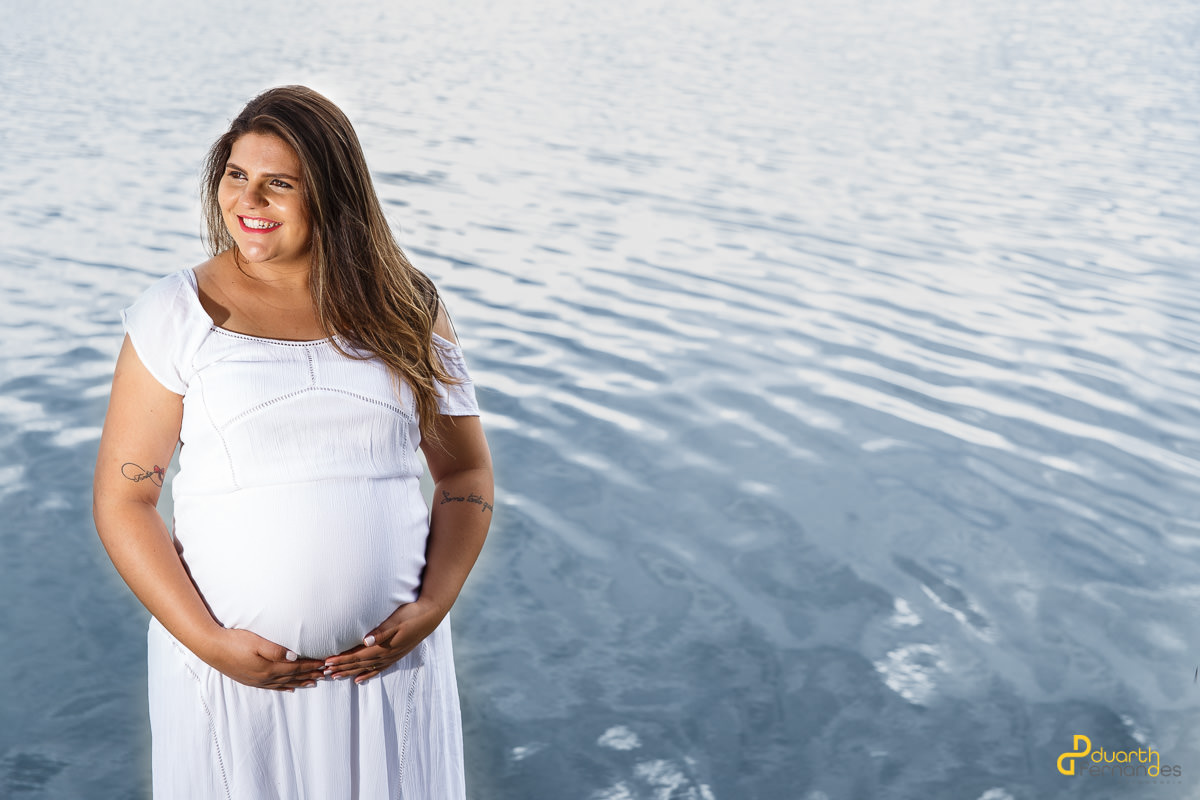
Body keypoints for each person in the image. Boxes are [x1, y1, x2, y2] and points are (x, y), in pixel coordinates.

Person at [92, 85, 493, 799]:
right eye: (237, 176)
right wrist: (210, 643)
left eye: (280, 183)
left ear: (333, 196)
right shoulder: (175, 315)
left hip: (391, 674)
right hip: (230, 679)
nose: (250, 200)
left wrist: (434, 604)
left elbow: (464, 474)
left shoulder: (411, 307)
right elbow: (125, 500)